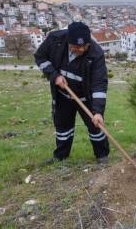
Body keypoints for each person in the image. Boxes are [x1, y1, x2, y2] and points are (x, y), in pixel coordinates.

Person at [34, 22, 109, 164]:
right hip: (63, 95)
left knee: (96, 126)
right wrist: (54, 75)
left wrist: (98, 111)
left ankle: (102, 156)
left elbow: (99, 84)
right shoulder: (55, 40)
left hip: (86, 97)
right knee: (63, 127)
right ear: (68, 41)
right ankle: (61, 156)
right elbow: (40, 57)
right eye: (76, 46)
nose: (80, 49)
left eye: (84, 46)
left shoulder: (96, 53)